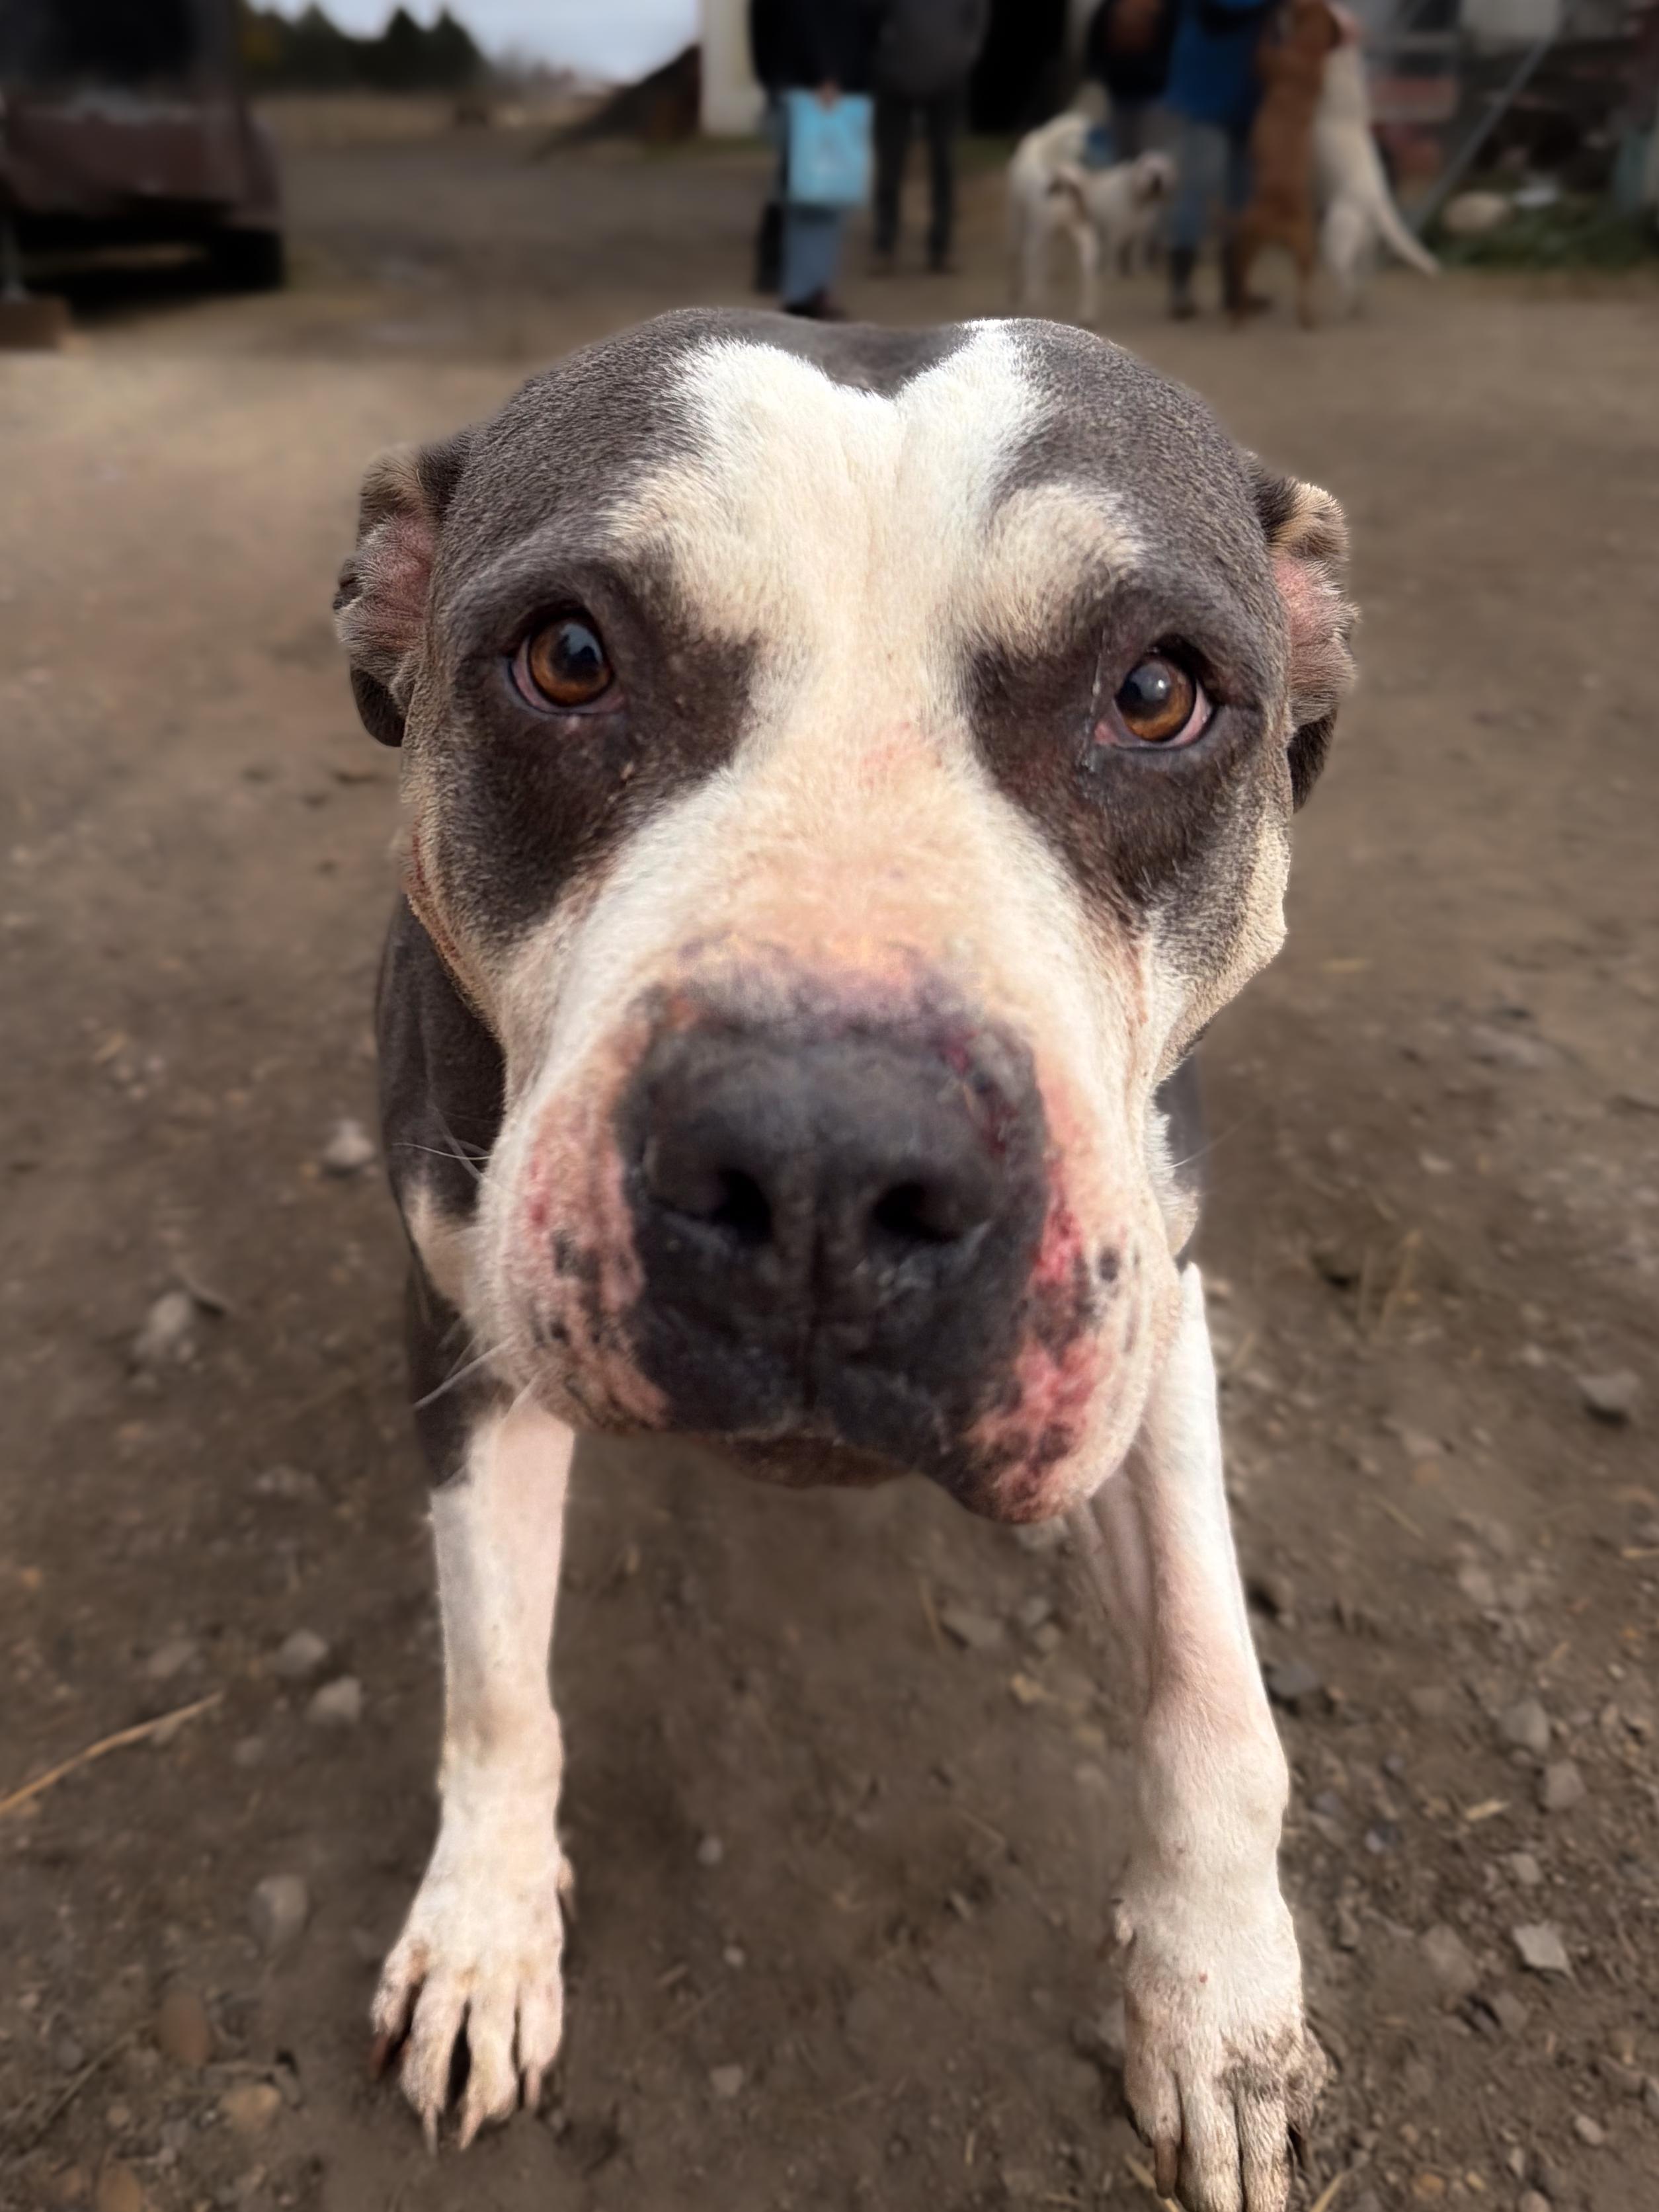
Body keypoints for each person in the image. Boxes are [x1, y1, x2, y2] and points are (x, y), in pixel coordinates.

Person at [749, 0, 877, 318]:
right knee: (814, 193)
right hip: (814, 90)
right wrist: (825, 74)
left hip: (810, 85)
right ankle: (805, 292)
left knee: (817, 191)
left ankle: (808, 287)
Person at [1160, 0, 1273, 317]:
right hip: (1205, 85)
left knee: (1242, 192)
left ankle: (1235, 286)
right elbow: (1221, 12)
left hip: (1248, 88)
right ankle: (1181, 288)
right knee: (1198, 186)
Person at [868, 0, 989, 275]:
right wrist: (882, 57)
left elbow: (977, 20)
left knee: (944, 163)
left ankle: (941, 247)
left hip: (948, 80)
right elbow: (870, 17)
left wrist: (963, 57)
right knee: (890, 165)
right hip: (894, 79)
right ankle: (884, 246)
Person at [1082, 0, 1177, 165]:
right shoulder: (1114, 6)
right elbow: (1097, 36)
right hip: (1122, 88)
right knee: (1121, 151)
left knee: (1148, 152)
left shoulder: (1163, 8)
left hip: (1149, 91)